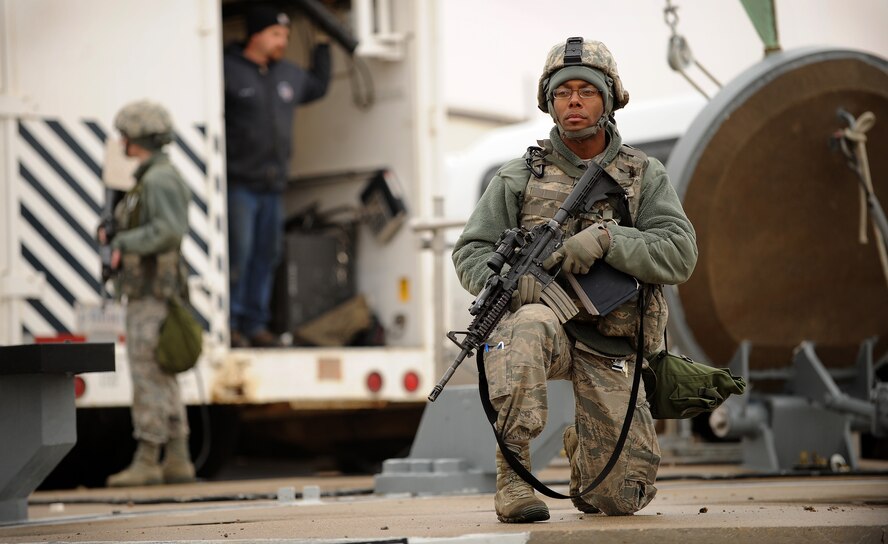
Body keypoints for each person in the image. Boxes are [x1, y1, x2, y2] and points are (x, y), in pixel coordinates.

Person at [452, 38, 698, 522]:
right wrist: (507, 283)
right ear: (549, 102)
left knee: (619, 500)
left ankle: (585, 446)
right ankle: (514, 476)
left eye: (586, 91)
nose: (574, 102)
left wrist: (609, 239)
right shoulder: (518, 176)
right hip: (548, 333)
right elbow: (470, 252)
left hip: (613, 341)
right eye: (563, 93)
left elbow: (680, 254)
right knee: (525, 326)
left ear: (608, 100)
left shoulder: (643, 175)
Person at [100, 100, 196, 487]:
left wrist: (124, 240)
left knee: (148, 377)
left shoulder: (158, 180)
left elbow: (169, 231)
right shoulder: (150, 177)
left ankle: (149, 459)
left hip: (152, 294)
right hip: (150, 291)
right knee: (163, 375)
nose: (122, 141)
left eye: (126, 135)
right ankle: (177, 459)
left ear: (138, 138)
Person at [224, 4, 332, 347]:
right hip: (240, 184)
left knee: (266, 255)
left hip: (273, 188)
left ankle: (255, 324)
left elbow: (319, 85)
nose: (282, 41)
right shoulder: (227, 70)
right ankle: (231, 324)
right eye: (276, 34)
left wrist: (323, 42)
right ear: (255, 35)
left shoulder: (288, 74)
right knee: (238, 255)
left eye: (285, 35)